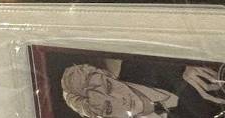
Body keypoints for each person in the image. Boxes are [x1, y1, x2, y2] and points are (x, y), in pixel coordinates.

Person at [61, 60, 225, 117]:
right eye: (108, 107)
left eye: (109, 87)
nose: (121, 99)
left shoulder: (142, 64)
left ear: (108, 74)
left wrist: (185, 63)